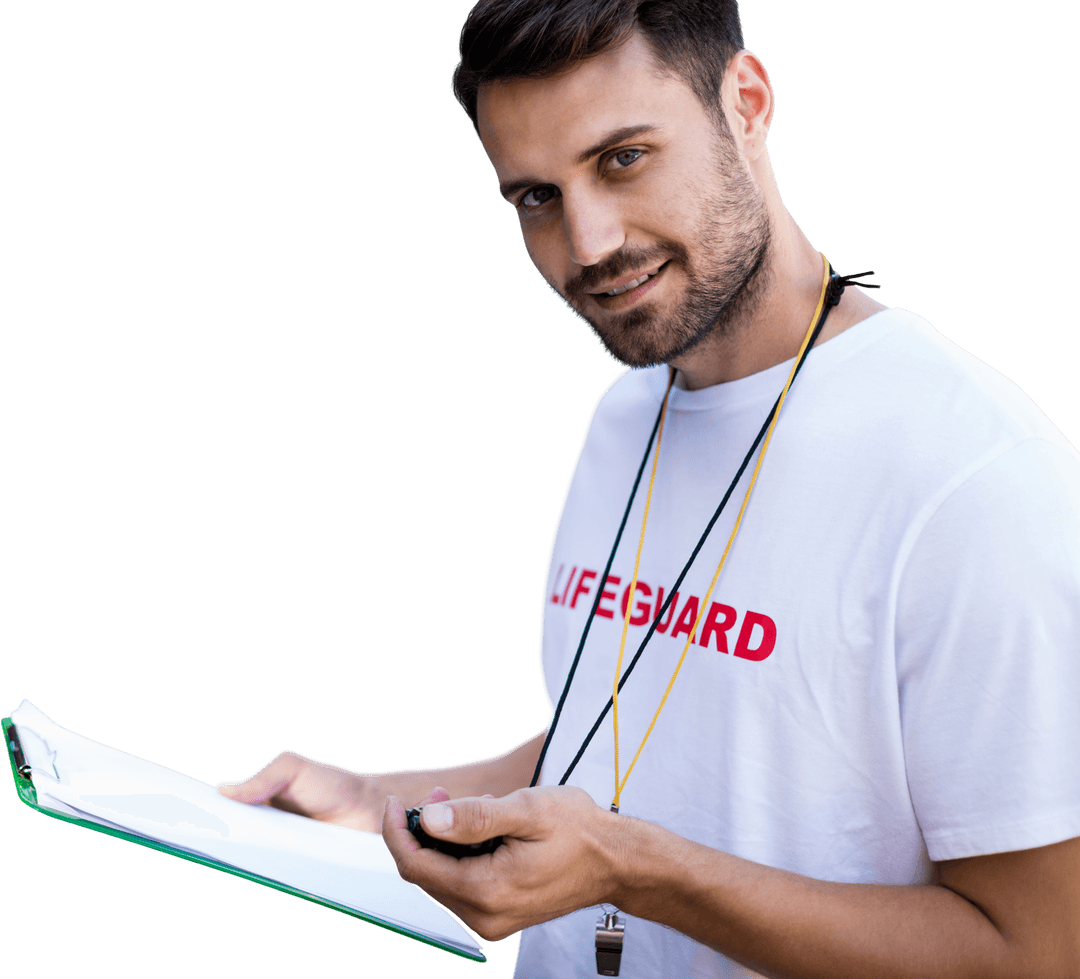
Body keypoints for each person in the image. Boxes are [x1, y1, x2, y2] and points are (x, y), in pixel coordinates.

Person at [218, 1, 1080, 975]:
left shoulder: (980, 482)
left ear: (746, 104)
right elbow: (641, 733)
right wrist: (378, 800)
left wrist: (634, 871)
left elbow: (1039, 951)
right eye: (536, 197)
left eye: (623, 158)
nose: (587, 244)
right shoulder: (628, 412)